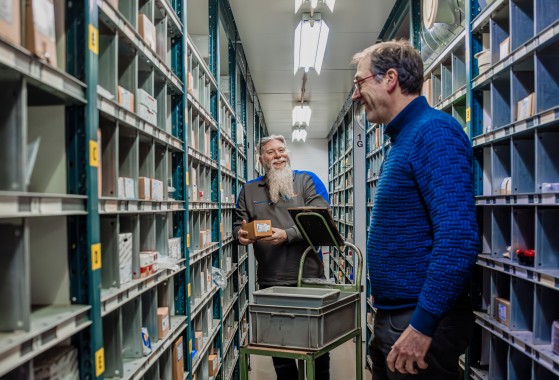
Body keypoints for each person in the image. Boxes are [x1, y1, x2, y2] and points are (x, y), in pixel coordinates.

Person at [351, 40, 479, 380]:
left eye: (359, 82)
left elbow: (458, 238)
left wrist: (422, 325)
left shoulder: (433, 132)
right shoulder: (403, 139)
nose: (354, 94)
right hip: (396, 315)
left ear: (389, 78)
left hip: (420, 322)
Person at [233, 135, 331, 380]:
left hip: (310, 280)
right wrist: (240, 235)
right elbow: (238, 225)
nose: (277, 155)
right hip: (271, 283)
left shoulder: (307, 181)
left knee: (317, 351)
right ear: (260, 159)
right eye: (270, 152)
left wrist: (287, 235)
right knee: (282, 352)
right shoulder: (249, 189)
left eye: (281, 150)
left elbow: (321, 222)